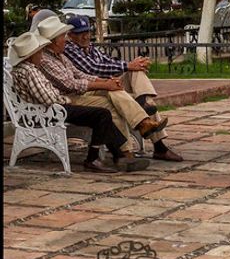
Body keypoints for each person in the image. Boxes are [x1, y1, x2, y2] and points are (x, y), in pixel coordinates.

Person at [35, 15, 166, 164]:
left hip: (83, 89)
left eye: (87, 32)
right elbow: (71, 84)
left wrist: (106, 81)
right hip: (69, 98)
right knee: (111, 103)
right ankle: (127, 150)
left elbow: (80, 74)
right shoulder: (49, 59)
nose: (65, 39)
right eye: (62, 36)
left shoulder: (60, 55)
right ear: (53, 41)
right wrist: (107, 83)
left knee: (126, 81)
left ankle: (144, 111)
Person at [8, 31, 142, 174]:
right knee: (102, 115)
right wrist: (67, 99)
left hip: (53, 108)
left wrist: (104, 82)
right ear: (31, 55)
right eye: (39, 51)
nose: (41, 54)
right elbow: (49, 99)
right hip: (51, 111)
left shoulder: (29, 68)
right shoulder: (29, 71)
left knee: (103, 114)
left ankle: (119, 155)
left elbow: (72, 80)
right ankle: (94, 159)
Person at [64, 15, 182, 161]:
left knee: (136, 71)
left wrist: (131, 65)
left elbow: (110, 62)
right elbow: (92, 69)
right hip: (89, 89)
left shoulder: (91, 48)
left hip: (101, 82)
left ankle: (144, 102)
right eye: (81, 33)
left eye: (87, 32)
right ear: (70, 35)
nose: (86, 36)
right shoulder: (69, 49)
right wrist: (126, 66)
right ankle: (148, 143)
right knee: (114, 89)